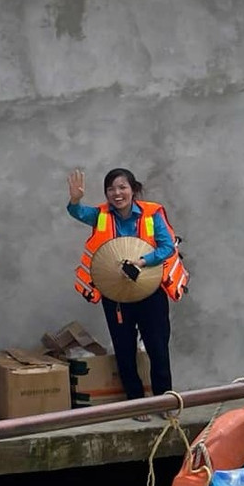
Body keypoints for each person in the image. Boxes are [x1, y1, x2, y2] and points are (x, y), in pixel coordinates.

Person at [67, 166, 189, 405]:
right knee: (124, 350)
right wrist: (75, 199)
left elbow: (167, 247)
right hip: (115, 294)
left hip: (150, 291)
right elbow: (78, 212)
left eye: (122, 187)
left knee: (158, 348)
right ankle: (135, 401)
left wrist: (143, 261)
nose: (116, 193)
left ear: (134, 190)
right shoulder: (100, 215)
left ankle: (165, 401)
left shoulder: (152, 214)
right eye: (110, 189)